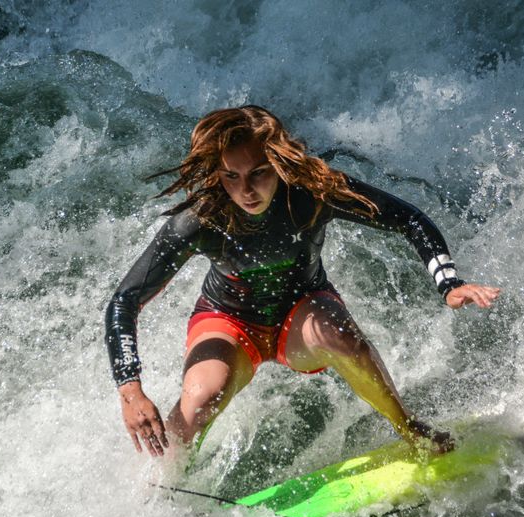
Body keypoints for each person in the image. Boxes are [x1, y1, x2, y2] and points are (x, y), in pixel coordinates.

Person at [105, 106, 499, 458]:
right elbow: (125, 299)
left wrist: (449, 283)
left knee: (342, 336)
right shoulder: (201, 219)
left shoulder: (314, 193)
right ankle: (161, 491)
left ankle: (409, 429)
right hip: (229, 322)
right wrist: (131, 391)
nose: (246, 190)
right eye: (231, 176)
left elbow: (407, 218)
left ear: (277, 163)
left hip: (302, 313)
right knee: (200, 399)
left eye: (258, 173)